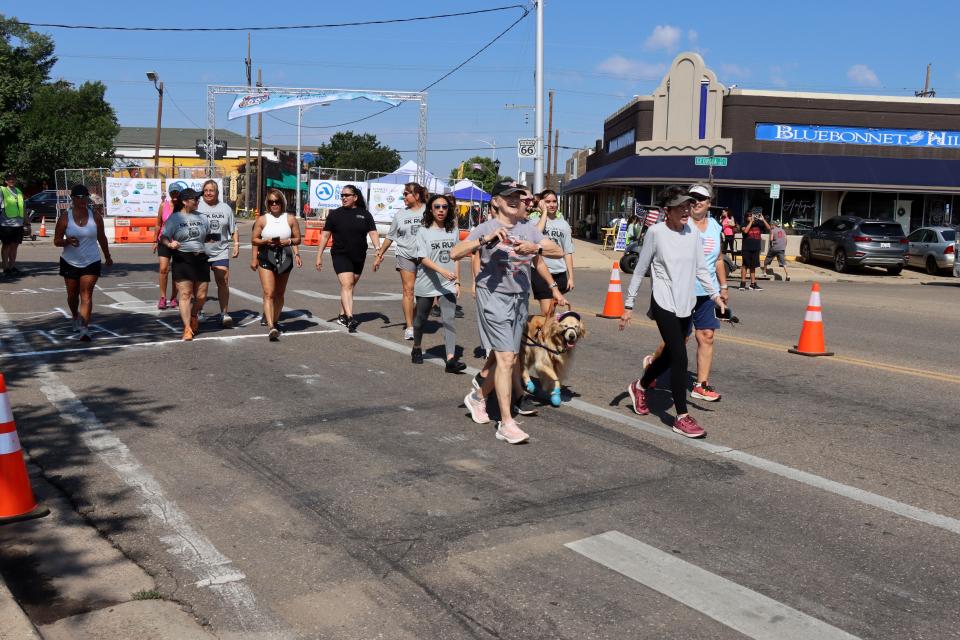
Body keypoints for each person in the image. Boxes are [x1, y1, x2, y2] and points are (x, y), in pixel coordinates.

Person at [452, 180, 563, 445]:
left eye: (517, 196)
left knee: (509, 359)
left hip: (519, 298)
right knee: (505, 359)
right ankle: (506, 422)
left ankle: (478, 397)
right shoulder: (486, 227)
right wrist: (484, 240)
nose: (514, 200)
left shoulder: (528, 228)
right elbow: (456, 252)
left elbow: (556, 251)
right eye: (508, 196)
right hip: (493, 298)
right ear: (496, 202)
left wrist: (534, 247)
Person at [620, 186, 725, 439]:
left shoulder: (692, 234)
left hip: (685, 302)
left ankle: (640, 386)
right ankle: (682, 417)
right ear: (667, 211)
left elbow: (702, 269)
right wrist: (628, 305)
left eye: (688, 205)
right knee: (680, 357)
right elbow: (640, 269)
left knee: (667, 356)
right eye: (681, 206)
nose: (687, 210)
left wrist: (715, 296)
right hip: (663, 302)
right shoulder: (656, 233)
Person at [640, 184, 729, 403]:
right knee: (679, 341)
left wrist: (722, 288)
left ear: (709, 203)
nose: (697, 201)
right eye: (694, 198)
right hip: (681, 292)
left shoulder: (715, 227)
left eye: (703, 198)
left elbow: (718, 259)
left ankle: (701, 385)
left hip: (707, 293)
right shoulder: (680, 222)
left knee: (707, 335)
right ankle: (654, 366)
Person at [411, 194, 466, 372]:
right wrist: (442, 270)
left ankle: (450, 359)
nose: (441, 210)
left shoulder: (453, 231)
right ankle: (417, 347)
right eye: (437, 207)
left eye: (444, 207)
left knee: (449, 319)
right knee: (420, 319)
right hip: (427, 281)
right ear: (430, 210)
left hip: (448, 283)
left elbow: (456, 256)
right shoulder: (423, 231)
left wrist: (457, 281)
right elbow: (421, 258)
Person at [316, 185, 380, 333]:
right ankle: (350, 318)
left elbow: (373, 233)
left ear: (355, 197)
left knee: (349, 287)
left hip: (359, 256)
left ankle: (342, 315)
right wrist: (319, 256)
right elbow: (325, 236)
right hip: (340, 254)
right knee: (347, 284)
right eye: (342, 195)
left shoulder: (365, 214)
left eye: (347, 195)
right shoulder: (334, 215)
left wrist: (378, 250)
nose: (343, 198)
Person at [53, 184, 113, 341]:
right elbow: (56, 241)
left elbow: (102, 238)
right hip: (70, 261)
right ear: (72, 199)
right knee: (72, 295)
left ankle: (84, 329)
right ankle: (74, 316)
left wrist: (107, 256)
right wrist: (66, 241)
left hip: (91, 261)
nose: (82, 200)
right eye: (79, 197)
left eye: (85, 197)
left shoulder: (95, 216)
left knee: (86, 295)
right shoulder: (65, 217)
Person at [373, 182, 427, 340]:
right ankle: (410, 327)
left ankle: (415, 317)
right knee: (408, 290)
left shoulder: (428, 211)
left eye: (406, 194)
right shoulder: (400, 214)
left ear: (416, 195)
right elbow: (390, 236)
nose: (403, 197)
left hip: (426, 257)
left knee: (426, 294)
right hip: (405, 255)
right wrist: (379, 255)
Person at [158, 188, 210, 341]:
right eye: (194, 198)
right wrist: (170, 244)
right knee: (185, 294)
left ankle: (194, 314)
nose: (198, 201)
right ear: (185, 201)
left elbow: (206, 236)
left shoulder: (202, 217)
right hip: (182, 258)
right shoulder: (174, 219)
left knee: (201, 296)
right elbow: (164, 237)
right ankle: (187, 328)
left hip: (200, 258)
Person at [252, 189, 302, 341]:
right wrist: (265, 242)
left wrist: (288, 243)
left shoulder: (290, 219)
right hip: (267, 255)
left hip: (284, 255)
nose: (274, 205)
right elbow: (254, 240)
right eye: (271, 202)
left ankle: (274, 320)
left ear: (282, 203)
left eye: (277, 202)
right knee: (269, 292)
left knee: (279, 293)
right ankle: (270, 326)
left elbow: (298, 238)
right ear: (267, 204)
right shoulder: (262, 219)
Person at [198, 180, 240, 328]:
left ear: (217, 192)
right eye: (206, 190)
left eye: (212, 190)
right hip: (200, 252)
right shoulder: (196, 206)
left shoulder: (226, 209)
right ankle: (199, 311)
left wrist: (236, 244)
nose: (209, 193)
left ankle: (224, 313)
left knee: (223, 282)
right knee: (201, 286)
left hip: (220, 251)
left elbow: (233, 228)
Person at [532, 189, 575, 316]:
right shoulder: (534, 222)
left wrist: (571, 277)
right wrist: (544, 213)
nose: (552, 204)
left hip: (559, 273)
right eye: (548, 201)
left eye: (554, 201)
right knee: (547, 312)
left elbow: (568, 252)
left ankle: (545, 335)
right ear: (541, 203)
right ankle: (543, 335)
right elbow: (535, 236)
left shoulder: (564, 225)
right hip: (540, 272)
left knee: (551, 312)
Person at [154, 186, 180, 309]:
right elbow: (158, 223)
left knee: (176, 270)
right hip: (163, 241)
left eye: (177, 193)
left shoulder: (183, 207)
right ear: (169, 193)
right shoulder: (163, 206)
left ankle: (174, 297)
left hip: (178, 242)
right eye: (172, 193)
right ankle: (163, 297)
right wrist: (154, 240)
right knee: (164, 268)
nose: (174, 195)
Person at [0, 173, 26, 276]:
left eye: (13, 179)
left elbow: (23, 207)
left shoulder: (19, 191)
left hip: (18, 224)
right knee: (6, 246)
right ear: (6, 181)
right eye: (9, 179)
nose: (11, 180)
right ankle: (5, 267)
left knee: (15, 246)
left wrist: (27, 222)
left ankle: (12, 266)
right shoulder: (2, 190)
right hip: (6, 224)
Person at [739, 208, 770, 290]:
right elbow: (745, 231)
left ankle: (753, 284)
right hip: (746, 248)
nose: (751, 217)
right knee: (745, 265)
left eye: (751, 216)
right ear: (746, 217)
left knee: (753, 266)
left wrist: (763, 220)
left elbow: (769, 228)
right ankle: (742, 283)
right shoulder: (744, 224)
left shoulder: (759, 224)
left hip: (756, 248)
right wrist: (751, 222)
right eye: (749, 216)